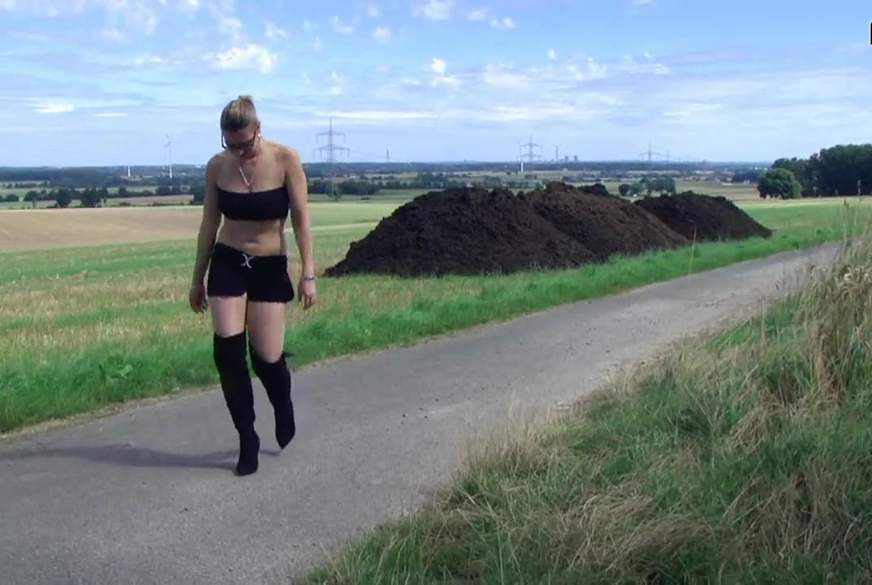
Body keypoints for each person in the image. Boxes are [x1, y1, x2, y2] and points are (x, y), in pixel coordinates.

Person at [189, 95, 316, 476]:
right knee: (228, 355)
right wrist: (197, 278)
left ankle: (282, 403)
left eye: (245, 144)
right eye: (232, 145)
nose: (240, 152)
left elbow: (301, 220)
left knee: (266, 358)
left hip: (269, 265)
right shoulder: (217, 167)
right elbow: (209, 224)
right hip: (228, 262)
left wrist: (308, 274)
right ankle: (248, 437)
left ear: (258, 129)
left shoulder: (286, 159)